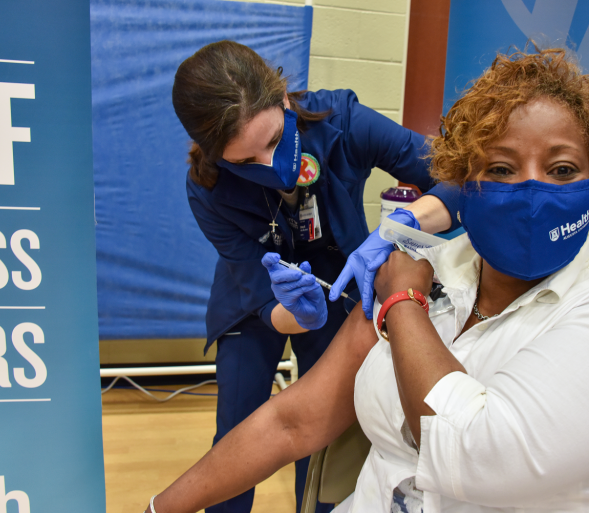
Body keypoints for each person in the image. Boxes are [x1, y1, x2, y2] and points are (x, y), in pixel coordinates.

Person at [152, 46, 589, 513]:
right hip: (264, 303)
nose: (529, 192)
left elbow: (474, 455)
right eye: (499, 169)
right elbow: (292, 421)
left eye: (562, 169)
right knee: (238, 418)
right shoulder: (209, 190)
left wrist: (403, 268)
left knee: (323, 455)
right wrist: (157, 508)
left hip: (354, 283)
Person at [171, 41, 456, 513]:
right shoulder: (208, 190)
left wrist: (406, 225)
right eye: (244, 162)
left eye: (273, 140)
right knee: (238, 434)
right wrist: (293, 313)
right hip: (257, 297)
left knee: (326, 431)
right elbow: (257, 289)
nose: (269, 166)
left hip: (345, 280)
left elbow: (455, 177)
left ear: (283, 99)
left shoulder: (342, 123)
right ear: (214, 154)